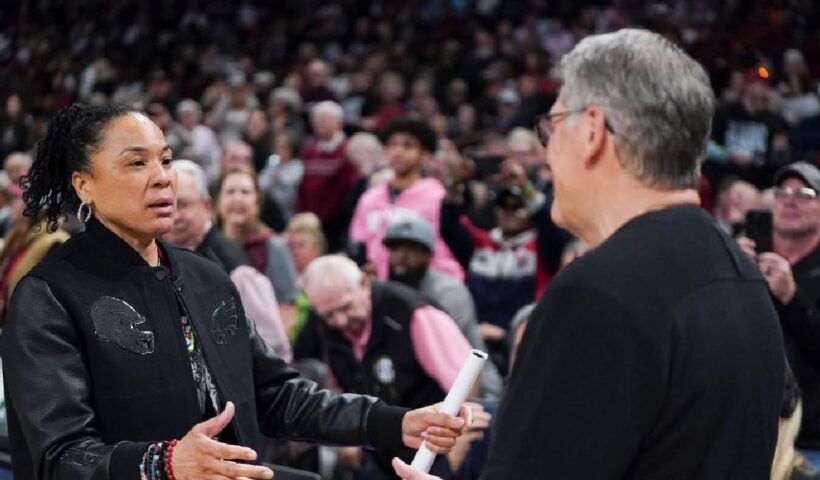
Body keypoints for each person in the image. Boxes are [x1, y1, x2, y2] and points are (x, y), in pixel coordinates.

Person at [2, 104, 471, 480]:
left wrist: (396, 422)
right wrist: (165, 464)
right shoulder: (49, 296)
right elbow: (61, 457)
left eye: (165, 160)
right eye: (136, 163)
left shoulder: (206, 276)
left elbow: (278, 396)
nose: (163, 176)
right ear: (84, 185)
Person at [397, 28, 786, 479]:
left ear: (593, 132)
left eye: (553, 126)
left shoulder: (595, 294)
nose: (548, 152)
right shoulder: (743, 275)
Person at [297, 255, 473, 479]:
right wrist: (347, 438)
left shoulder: (413, 314)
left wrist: (457, 446)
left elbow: (465, 383)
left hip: (435, 452)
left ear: (363, 283)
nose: (340, 321)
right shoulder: (325, 327)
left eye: (345, 307)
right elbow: (338, 385)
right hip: (380, 449)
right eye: (329, 315)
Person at [165, 159, 292, 362]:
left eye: (184, 204)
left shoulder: (236, 266)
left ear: (206, 205)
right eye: (167, 205)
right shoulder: (161, 255)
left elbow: (273, 346)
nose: (176, 215)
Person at [738, 162, 820, 467]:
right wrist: (729, 271)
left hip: (810, 439)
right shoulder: (738, 254)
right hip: (746, 433)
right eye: (782, 191)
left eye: (804, 193)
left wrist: (791, 297)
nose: (790, 200)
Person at [382, 215, 502, 401]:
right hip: (419, 387)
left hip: (473, 390)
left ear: (429, 255)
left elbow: (437, 350)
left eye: (411, 249)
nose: (401, 256)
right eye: (395, 248)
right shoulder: (385, 290)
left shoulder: (448, 291)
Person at [349, 118, 463, 281]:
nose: (398, 151)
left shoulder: (437, 196)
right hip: (381, 286)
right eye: (392, 145)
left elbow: (453, 243)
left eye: (407, 146)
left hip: (427, 285)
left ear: (424, 153)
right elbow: (358, 243)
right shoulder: (369, 198)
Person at [215, 165, 300, 326]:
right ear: (217, 201)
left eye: (245, 192)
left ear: (257, 202)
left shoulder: (273, 247)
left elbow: (287, 310)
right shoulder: (206, 247)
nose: (237, 198)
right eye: (230, 192)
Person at [296, 101, 358, 253]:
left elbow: (346, 188)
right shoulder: (310, 151)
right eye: (317, 120)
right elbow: (303, 185)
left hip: (337, 222)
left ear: (338, 123)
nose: (320, 123)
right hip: (311, 219)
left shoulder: (347, 150)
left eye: (325, 119)